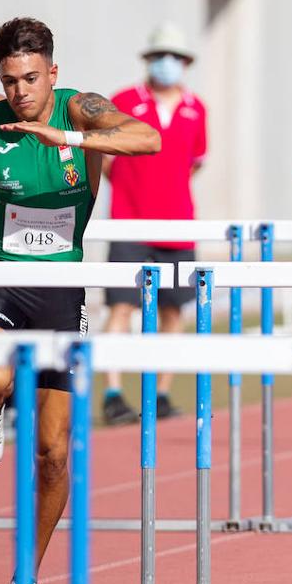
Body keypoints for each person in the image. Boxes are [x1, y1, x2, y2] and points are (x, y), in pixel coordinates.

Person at [0, 17, 160, 584]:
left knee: (53, 454)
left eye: (29, 78)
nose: (20, 92)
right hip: (3, 280)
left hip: (62, 292)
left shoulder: (81, 111)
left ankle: (26, 575)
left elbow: (147, 140)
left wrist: (68, 141)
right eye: (8, 80)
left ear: (53, 72)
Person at [100, 22, 207, 425]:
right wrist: (133, 192)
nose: (168, 64)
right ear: (149, 60)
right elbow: (106, 160)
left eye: (175, 57)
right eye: (161, 56)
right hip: (129, 223)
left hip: (178, 225)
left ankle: (160, 394)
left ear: (184, 63)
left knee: (174, 313)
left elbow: (193, 163)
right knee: (121, 307)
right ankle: (112, 392)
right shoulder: (123, 101)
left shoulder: (197, 109)